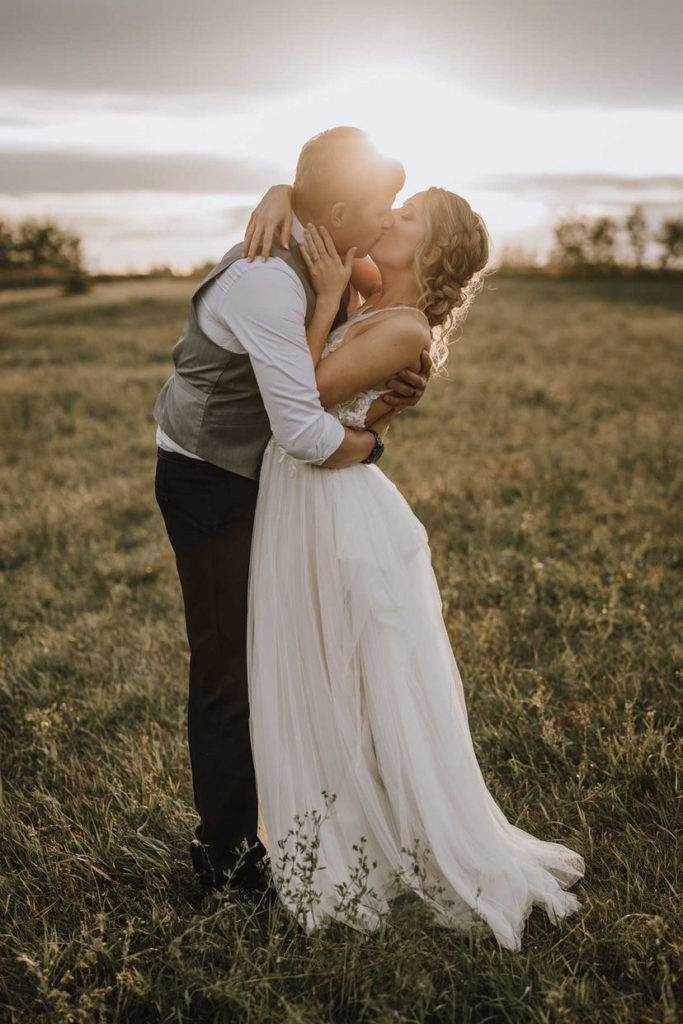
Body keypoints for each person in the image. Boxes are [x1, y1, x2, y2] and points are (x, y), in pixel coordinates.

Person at [243, 184, 585, 949]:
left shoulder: (401, 329)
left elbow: (295, 398)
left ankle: (375, 838)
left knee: (359, 678)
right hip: (303, 493)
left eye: (404, 218)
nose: (384, 218)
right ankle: (327, 824)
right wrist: (281, 193)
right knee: (316, 667)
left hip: (333, 503)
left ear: (428, 253)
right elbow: (322, 209)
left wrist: (327, 298)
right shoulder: (371, 285)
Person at [152, 127, 433, 896]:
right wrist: (373, 441)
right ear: (339, 212)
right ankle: (225, 861)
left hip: (270, 480)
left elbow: (393, 288)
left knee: (291, 651)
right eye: (379, 208)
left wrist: (287, 192)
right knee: (225, 668)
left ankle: (303, 820)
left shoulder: (334, 241)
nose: (388, 219)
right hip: (210, 476)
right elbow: (307, 433)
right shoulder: (267, 282)